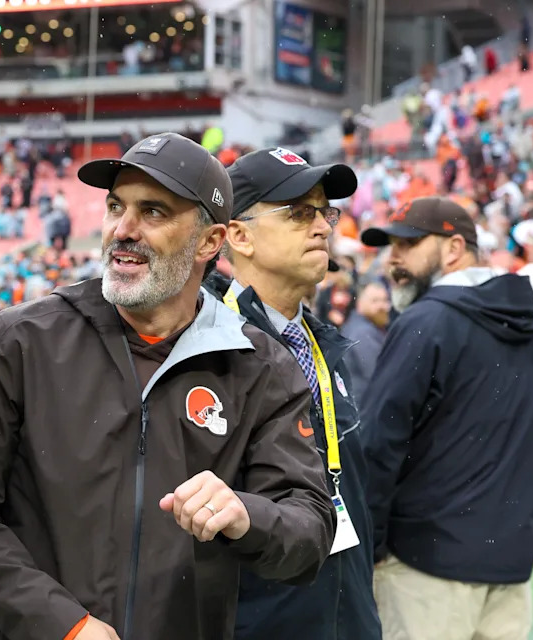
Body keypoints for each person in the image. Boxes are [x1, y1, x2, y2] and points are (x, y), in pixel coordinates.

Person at [0, 133, 336, 640]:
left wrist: (245, 514)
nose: (123, 230)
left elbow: (311, 531)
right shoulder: (23, 340)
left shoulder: (260, 366)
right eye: (115, 207)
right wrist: (63, 624)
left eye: (154, 212)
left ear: (211, 241)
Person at [203, 147, 380, 640]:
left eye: (326, 212)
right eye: (300, 213)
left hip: (348, 616)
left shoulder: (326, 345)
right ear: (239, 235)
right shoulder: (207, 350)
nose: (324, 227)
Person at [359, 196, 533, 640]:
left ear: (454, 248)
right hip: (511, 564)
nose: (393, 258)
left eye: (410, 244)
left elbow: (380, 443)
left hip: (426, 569)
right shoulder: (529, 321)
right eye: (391, 247)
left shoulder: (427, 319)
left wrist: (372, 545)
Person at [339, 281, 391, 393]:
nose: (382, 306)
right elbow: (379, 375)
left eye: (385, 300)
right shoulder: (362, 332)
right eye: (375, 301)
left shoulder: (361, 326)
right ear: (359, 304)